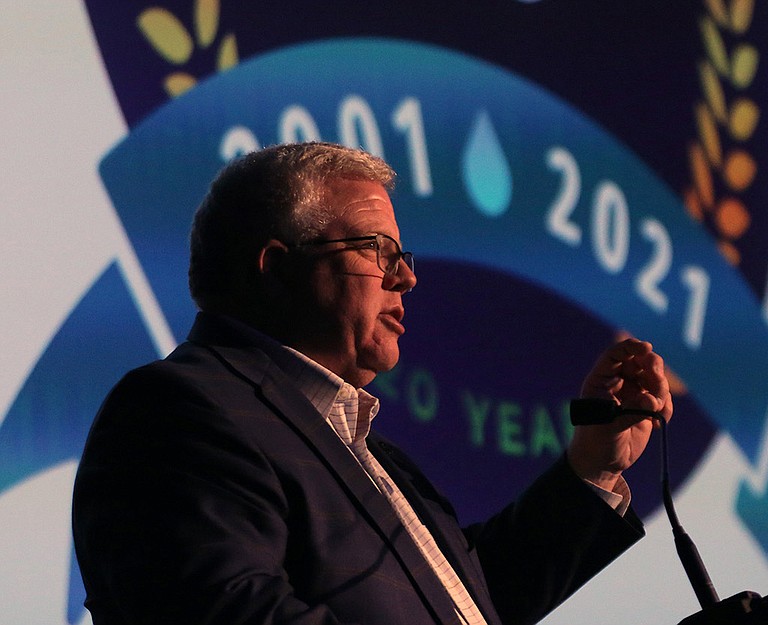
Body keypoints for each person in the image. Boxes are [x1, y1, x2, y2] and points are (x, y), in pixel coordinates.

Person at [72, 142, 673, 625]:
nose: (406, 277)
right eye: (376, 249)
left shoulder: (362, 445)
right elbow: (226, 608)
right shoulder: (178, 410)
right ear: (277, 266)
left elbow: (469, 602)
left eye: (402, 253)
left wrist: (592, 469)